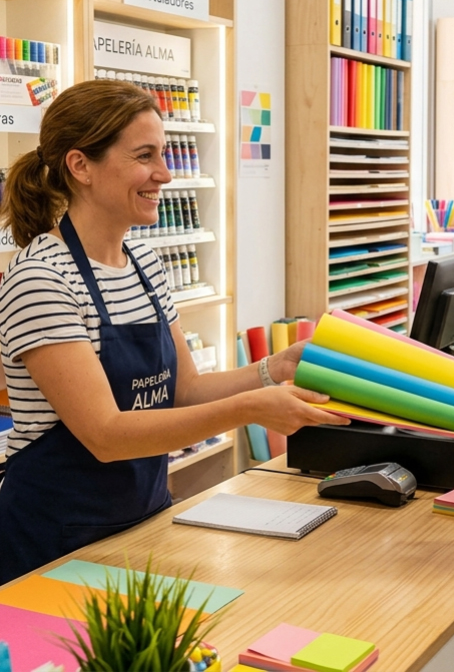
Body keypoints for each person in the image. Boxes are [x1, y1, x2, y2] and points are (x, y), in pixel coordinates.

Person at [0, 79, 350, 585]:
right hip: (52, 541)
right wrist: (250, 408)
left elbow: (183, 391)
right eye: (145, 156)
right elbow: (104, 435)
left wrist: (272, 370)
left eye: (162, 154)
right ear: (81, 167)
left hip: (141, 522)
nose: (164, 174)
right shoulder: (41, 280)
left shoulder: (144, 262)